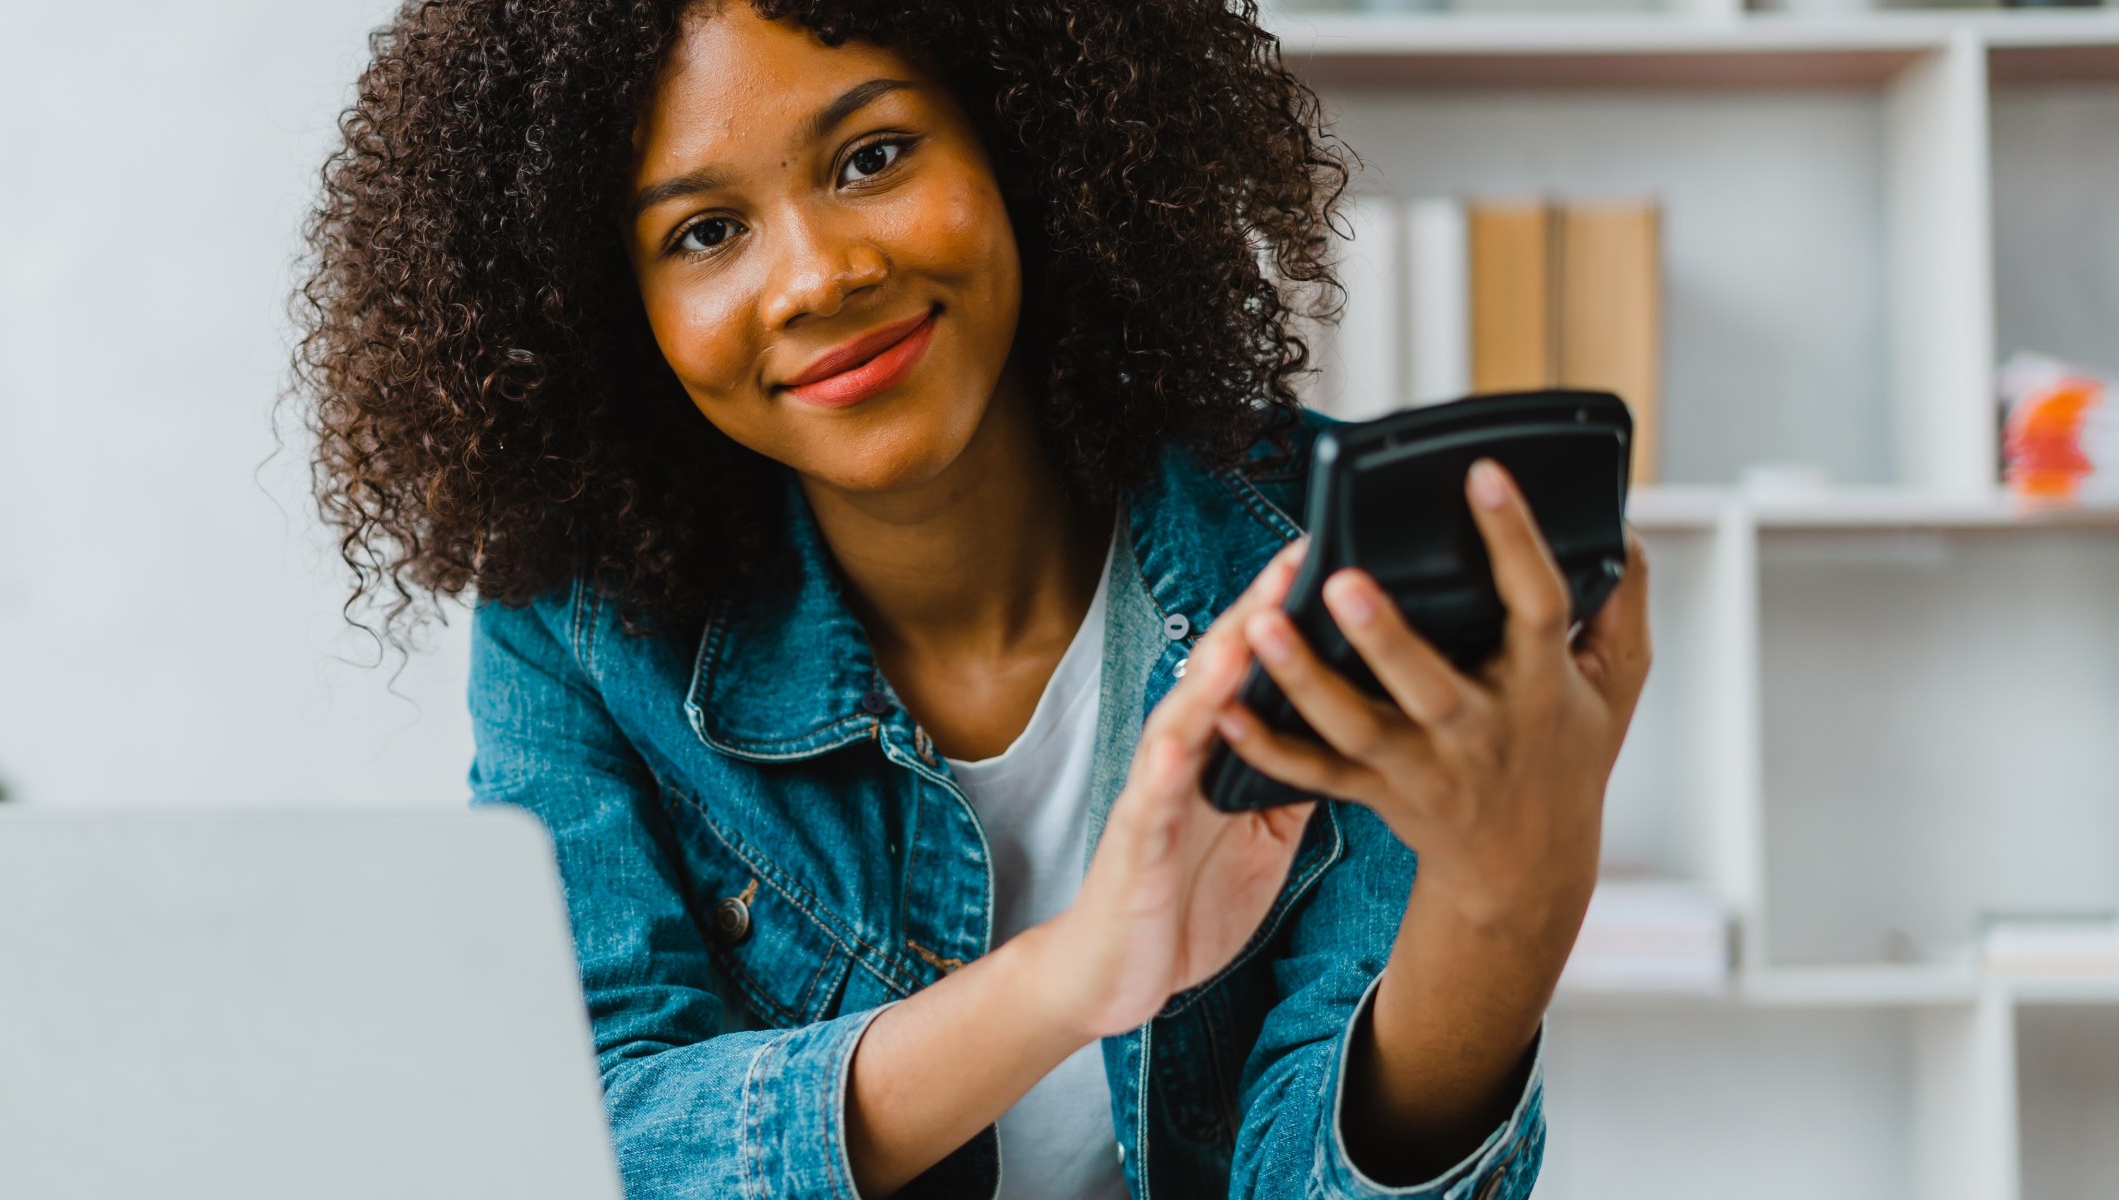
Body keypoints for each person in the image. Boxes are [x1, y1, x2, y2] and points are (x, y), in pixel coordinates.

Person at [295, 1, 1652, 1197]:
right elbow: (584, 1144)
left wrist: (1507, 905)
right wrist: (1070, 978)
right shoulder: (577, 631)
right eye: (707, 232)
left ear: (1026, 140)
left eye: (873, 156)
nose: (820, 272)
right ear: (607, 308)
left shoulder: (1312, 566)